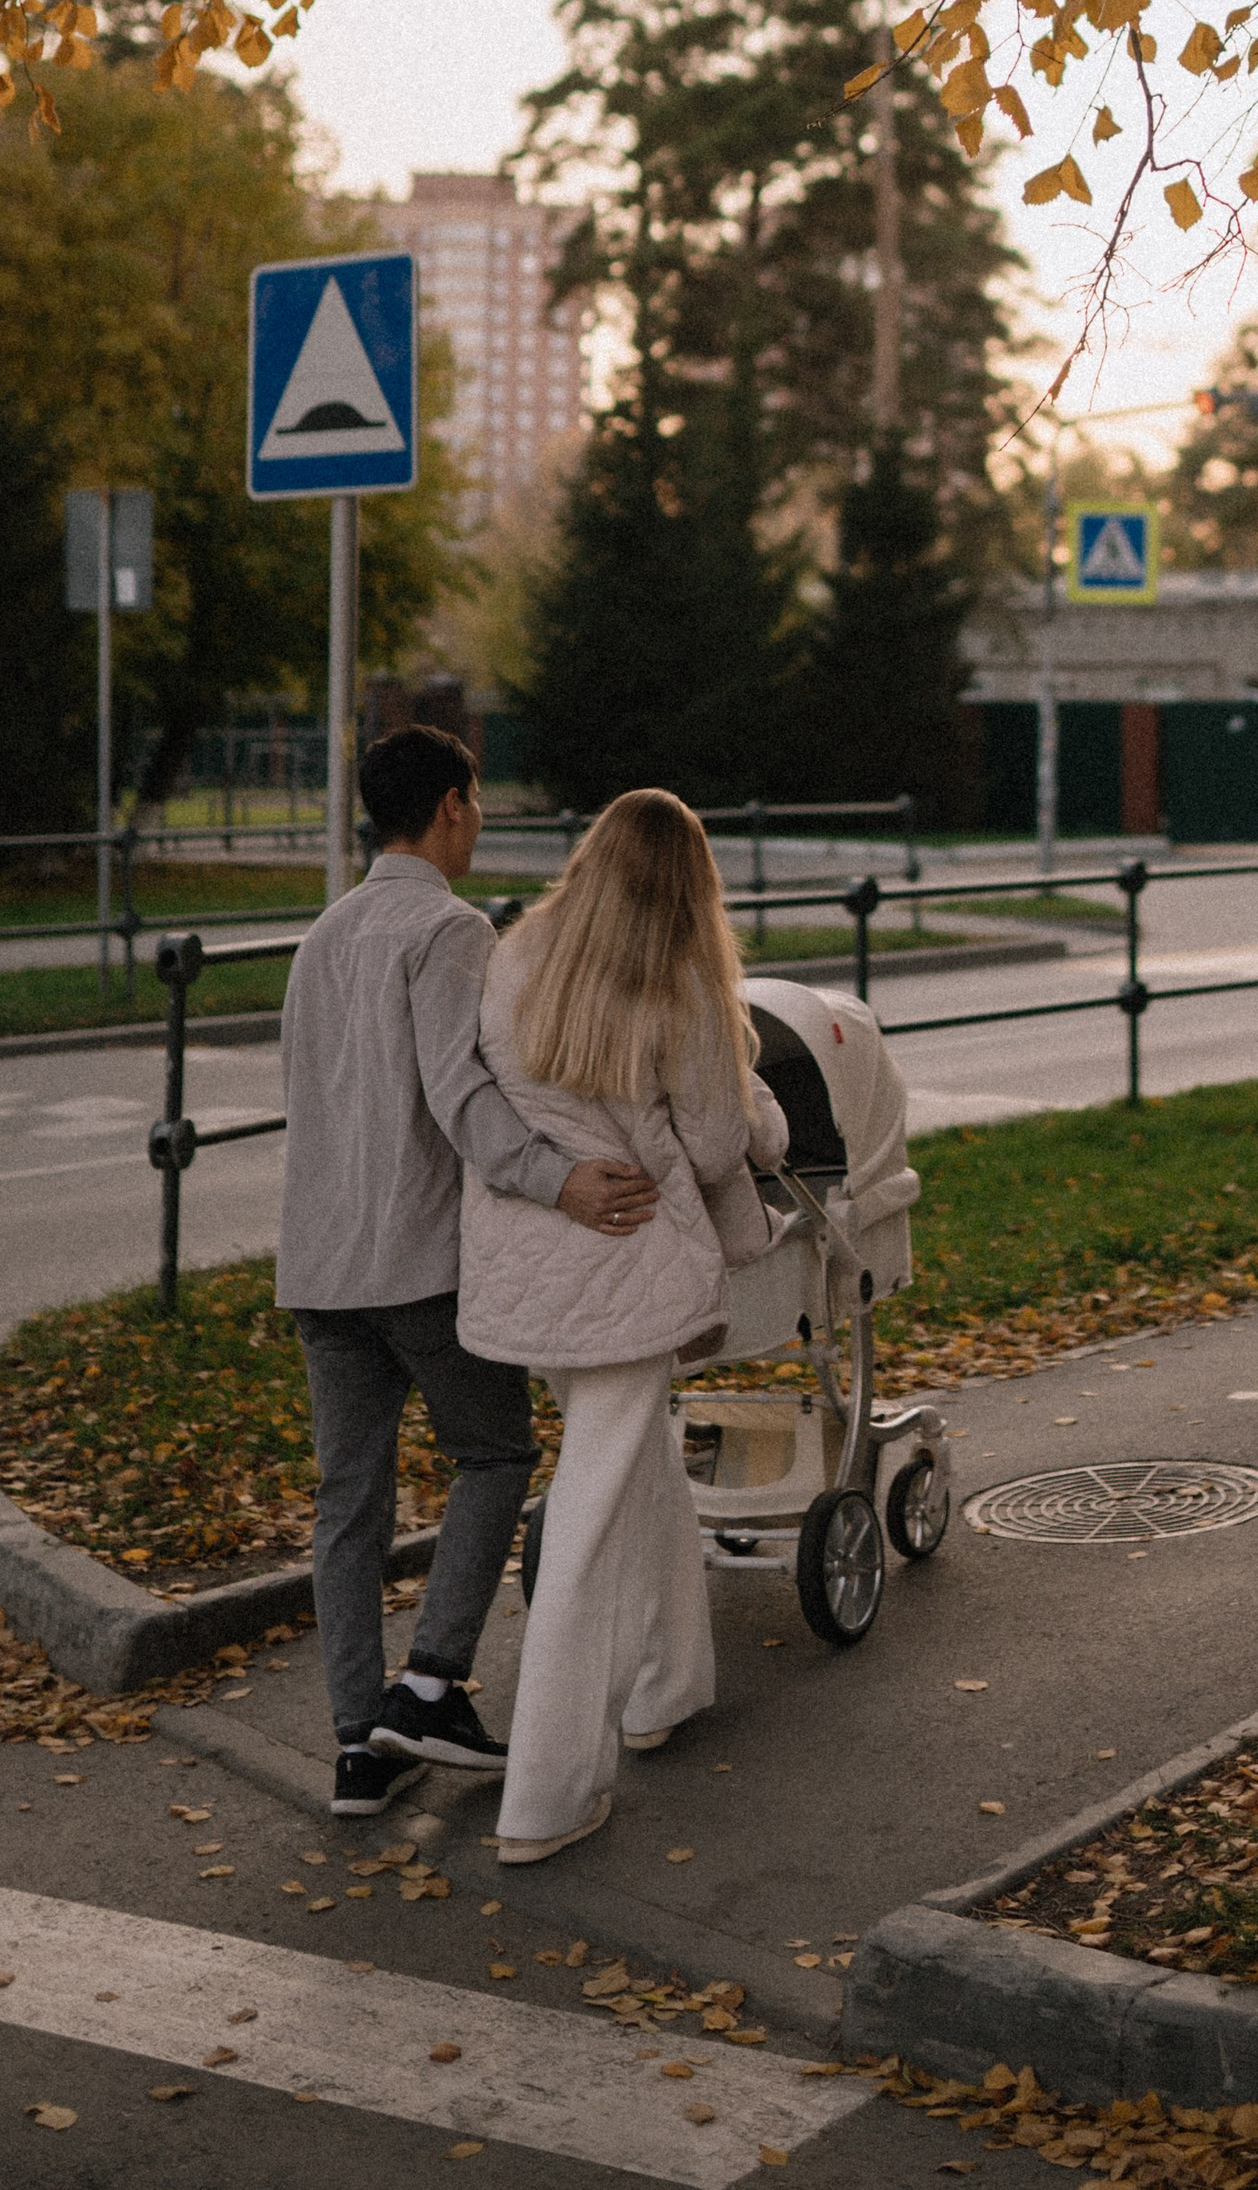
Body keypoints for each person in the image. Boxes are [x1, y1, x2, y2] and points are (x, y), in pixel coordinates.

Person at [277, 723, 664, 1821]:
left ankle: (359, 1748)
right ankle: (433, 1684)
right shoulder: (448, 929)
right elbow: (462, 1095)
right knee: (495, 1452)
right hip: (415, 1260)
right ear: (450, 805)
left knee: (348, 1503)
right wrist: (559, 1179)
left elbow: (309, 1096)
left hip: (318, 1266)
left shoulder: (323, 934)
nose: (481, 819)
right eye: (478, 801)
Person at [458, 786, 788, 1865]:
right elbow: (715, 1141)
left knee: (637, 1467)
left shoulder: (516, 956)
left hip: (529, 1264)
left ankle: (666, 1683)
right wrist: (764, 1112)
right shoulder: (677, 983)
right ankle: (548, 1794)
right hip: (627, 1262)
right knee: (592, 1519)